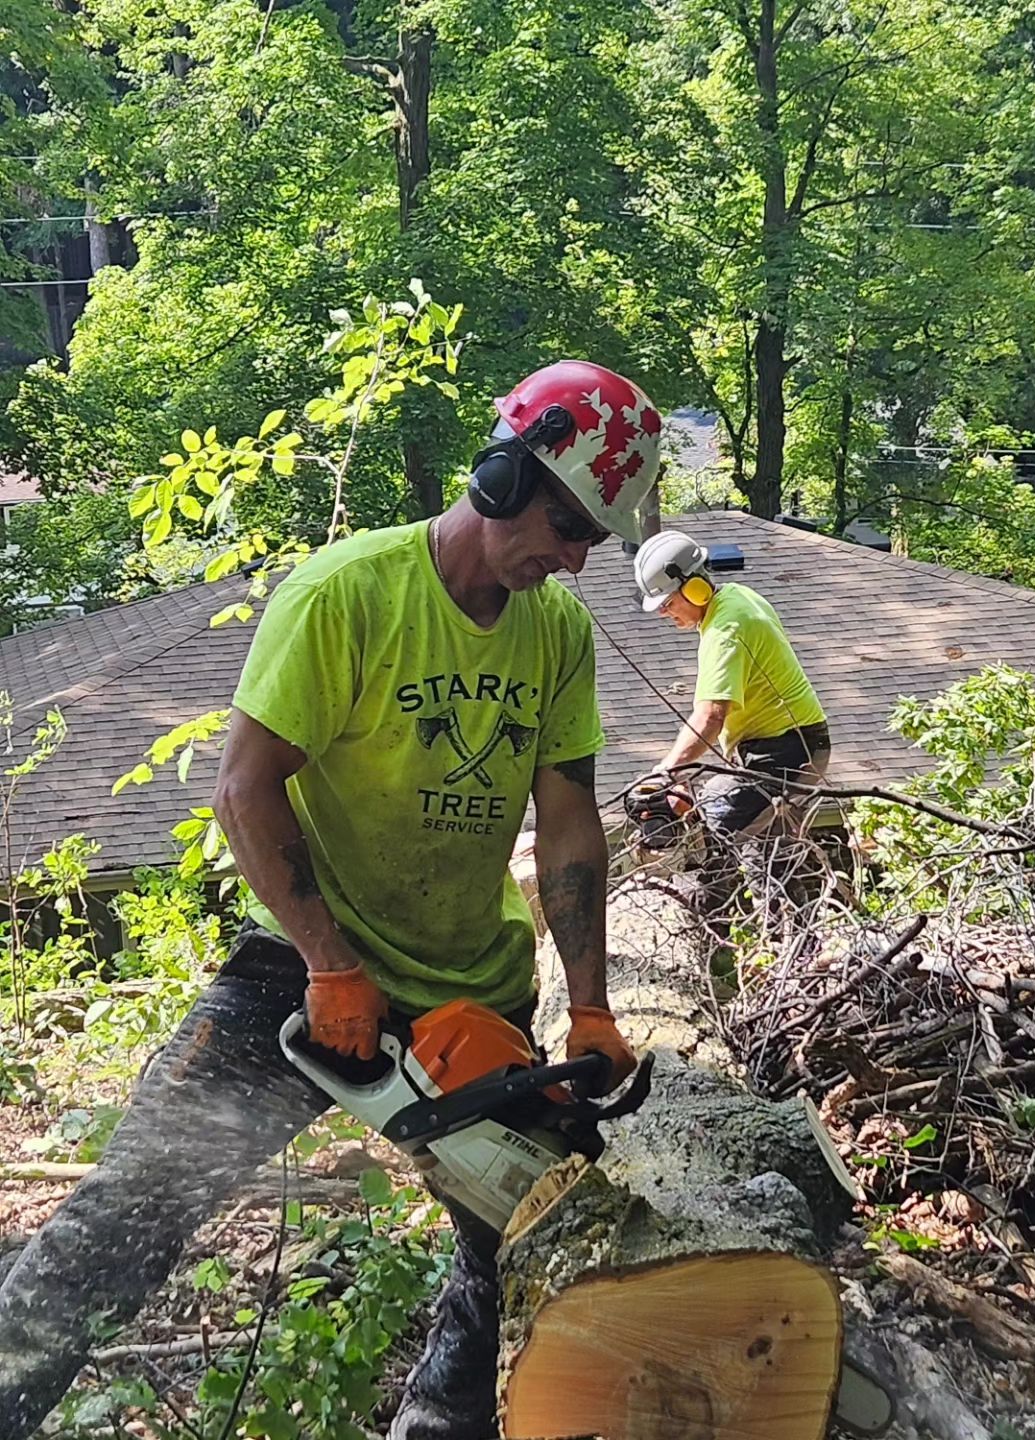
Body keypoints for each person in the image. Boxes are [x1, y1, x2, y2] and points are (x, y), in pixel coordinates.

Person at [0, 359, 663, 1440]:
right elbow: (245, 787)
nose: (573, 559)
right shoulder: (348, 593)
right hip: (304, 975)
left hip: (475, 994)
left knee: (516, 1250)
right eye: (566, 524)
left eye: (592, 539)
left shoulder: (557, 636)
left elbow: (572, 822)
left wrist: (587, 1005)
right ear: (501, 475)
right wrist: (328, 958)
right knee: (126, 1216)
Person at [634, 528, 830, 838]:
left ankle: (699, 886)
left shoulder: (725, 630)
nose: (663, 613)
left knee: (708, 832)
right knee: (766, 858)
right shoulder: (737, 596)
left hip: (785, 751)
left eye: (668, 603)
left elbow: (711, 715)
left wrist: (667, 771)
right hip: (792, 747)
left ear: (695, 588)